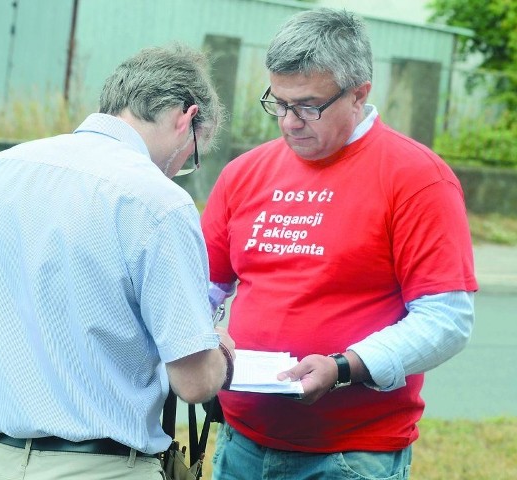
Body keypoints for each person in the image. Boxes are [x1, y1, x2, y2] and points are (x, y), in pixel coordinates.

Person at [0, 43, 235, 480]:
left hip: (3, 463)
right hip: (107, 466)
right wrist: (222, 349)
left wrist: (49, 350)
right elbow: (194, 382)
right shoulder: (159, 201)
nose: (179, 169)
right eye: (193, 155)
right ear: (187, 118)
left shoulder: (1, 168)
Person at [201, 8, 477, 480]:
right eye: (279, 103)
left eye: (308, 106)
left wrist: (345, 367)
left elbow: (446, 318)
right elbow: (203, 285)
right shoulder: (245, 172)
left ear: (359, 94)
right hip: (241, 440)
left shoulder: (416, 179)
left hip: (350, 456)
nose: (289, 123)